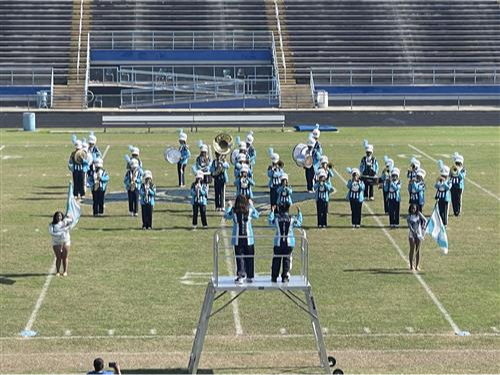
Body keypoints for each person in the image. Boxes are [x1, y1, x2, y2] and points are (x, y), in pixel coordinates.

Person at [224, 195, 260, 284]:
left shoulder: (234, 211)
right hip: (249, 239)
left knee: (239, 257)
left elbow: (226, 216)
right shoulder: (249, 210)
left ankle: (241, 276)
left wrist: (229, 207)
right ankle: (250, 276)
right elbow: (257, 215)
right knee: (250, 257)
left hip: (238, 238)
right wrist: (252, 206)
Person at [268, 203, 302, 283]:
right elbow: (299, 223)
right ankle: (285, 276)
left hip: (278, 243)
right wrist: (299, 213)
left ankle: (274, 277)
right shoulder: (292, 219)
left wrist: (272, 212)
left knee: (276, 259)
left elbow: (270, 222)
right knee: (287, 259)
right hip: (289, 243)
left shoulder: (276, 219)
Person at [48, 211, 73, 276]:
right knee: (58, 257)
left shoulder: (64, 222)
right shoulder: (52, 225)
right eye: (57, 216)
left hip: (65, 241)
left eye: (60, 216)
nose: (59, 217)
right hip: (56, 242)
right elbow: (51, 233)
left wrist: (69, 217)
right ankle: (58, 271)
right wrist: (60, 233)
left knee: (65, 257)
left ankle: (65, 271)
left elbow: (72, 221)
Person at [407, 204, 427, 271]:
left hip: (419, 234)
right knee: (412, 249)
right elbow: (410, 227)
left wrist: (423, 227)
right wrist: (414, 233)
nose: (413, 210)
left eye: (414, 208)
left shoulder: (418, 214)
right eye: (412, 208)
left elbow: (425, 220)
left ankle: (417, 265)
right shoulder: (409, 217)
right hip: (412, 235)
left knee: (418, 250)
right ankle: (411, 265)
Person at [450, 152, 466, 217]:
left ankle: (458, 211)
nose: (457, 164)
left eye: (458, 163)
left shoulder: (463, 169)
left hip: (459, 186)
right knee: (453, 199)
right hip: (453, 186)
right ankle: (455, 211)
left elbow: (462, 177)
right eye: (456, 163)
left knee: (458, 199)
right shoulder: (453, 168)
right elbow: (450, 175)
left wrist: (458, 171)